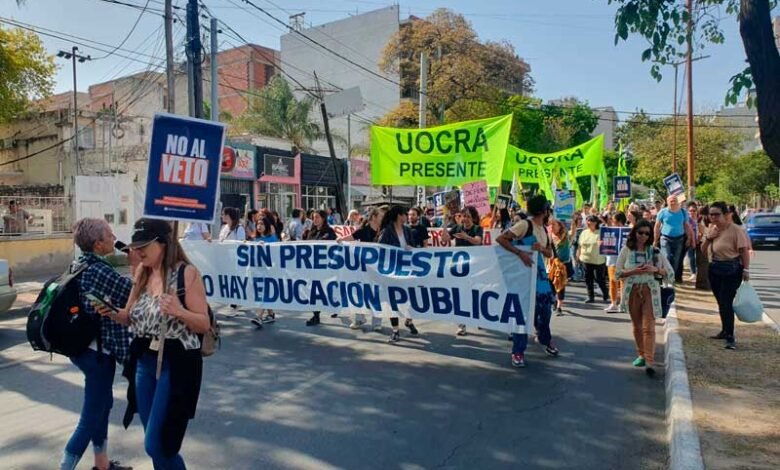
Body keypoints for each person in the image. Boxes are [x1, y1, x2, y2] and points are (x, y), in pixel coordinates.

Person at [99, 218, 210, 470]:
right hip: (145, 363)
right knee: (157, 444)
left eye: (143, 247)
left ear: (163, 244)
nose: (137, 252)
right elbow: (128, 316)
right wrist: (110, 311)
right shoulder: (142, 273)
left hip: (175, 364)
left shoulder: (186, 274)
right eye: (135, 247)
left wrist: (180, 311)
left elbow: (204, 324)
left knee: (158, 445)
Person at [60, 219, 133, 470]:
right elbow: (131, 291)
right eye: (110, 235)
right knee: (90, 416)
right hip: (97, 353)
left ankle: (101, 464)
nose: (114, 238)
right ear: (98, 243)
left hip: (86, 349)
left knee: (104, 404)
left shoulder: (80, 264)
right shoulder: (98, 270)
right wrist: (142, 264)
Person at [496, 195, 559, 368]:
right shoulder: (525, 225)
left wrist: (542, 249)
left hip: (539, 276)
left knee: (545, 310)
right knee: (522, 314)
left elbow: (550, 254)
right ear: (543, 210)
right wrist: (520, 252)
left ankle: (545, 339)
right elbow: (501, 239)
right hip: (522, 276)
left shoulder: (544, 229)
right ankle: (518, 350)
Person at [615, 220, 673, 377]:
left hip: (650, 291)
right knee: (637, 325)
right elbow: (617, 273)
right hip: (633, 291)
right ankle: (641, 354)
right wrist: (633, 271)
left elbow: (670, 272)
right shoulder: (626, 250)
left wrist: (655, 269)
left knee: (649, 326)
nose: (643, 236)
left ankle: (649, 360)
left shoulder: (655, 252)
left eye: (647, 233)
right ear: (635, 232)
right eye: (641, 232)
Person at [702, 202, 750, 350]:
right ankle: (724, 330)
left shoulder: (735, 230)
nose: (714, 217)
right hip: (715, 267)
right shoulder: (711, 229)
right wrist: (709, 238)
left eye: (717, 214)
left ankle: (730, 337)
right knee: (720, 302)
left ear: (725, 215)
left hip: (732, 268)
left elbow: (743, 251)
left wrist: (746, 270)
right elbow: (703, 250)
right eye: (711, 215)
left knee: (726, 301)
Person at [339, 207, 385, 330]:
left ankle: (377, 322)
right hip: (364, 268)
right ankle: (360, 319)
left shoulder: (384, 231)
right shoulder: (364, 230)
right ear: (374, 217)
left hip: (378, 269)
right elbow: (351, 237)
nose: (383, 218)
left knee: (376, 294)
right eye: (381, 216)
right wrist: (340, 240)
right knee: (362, 292)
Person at [378, 206, 419, 342]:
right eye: (405, 214)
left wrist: (410, 249)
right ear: (398, 216)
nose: (407, 216)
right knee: (392, 301)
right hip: (391, 271)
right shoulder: (387, 231)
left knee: (410, 297)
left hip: (406, 270)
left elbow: (414, 248)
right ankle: (395, 330)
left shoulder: (407, 230)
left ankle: (409, 320)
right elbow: (381, 250)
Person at [441, 206, 484, 336]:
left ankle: (480, 317)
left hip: (475, 268)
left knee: (475, 294)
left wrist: (466, 237)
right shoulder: (457, 228)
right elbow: (445, 239)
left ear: (473, 218)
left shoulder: (477, 229)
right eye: (463, 216)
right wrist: (444, 225)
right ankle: (462, 325)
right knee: (460, 295)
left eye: (468, 216)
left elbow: (478, 241)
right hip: (460, 269)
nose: (465, 219)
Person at [305, 210, 338, 326]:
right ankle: (316, 316)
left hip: (325, 267)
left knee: (326, 289)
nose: (315, 220)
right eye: (313, 217)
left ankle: (334, 305)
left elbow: (334, 247)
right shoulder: (311, 232)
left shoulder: (329, 232)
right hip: (313, 267)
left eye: (317, 217)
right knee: (314, 291)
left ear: (323, 219)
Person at [654, 196, 695, 283]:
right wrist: (655, 240)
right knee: (666, 257)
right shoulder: (662, 212)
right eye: (671, 201)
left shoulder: (683, 212)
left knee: (676, 260)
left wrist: (689, 238)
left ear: (677, 202)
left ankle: (671, 276)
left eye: (674, 201)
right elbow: (657, 226)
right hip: (665, 238)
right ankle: (665, 278)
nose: (673, 202)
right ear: (667, 202)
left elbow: (687, 225)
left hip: (679, 239)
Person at [250, 216, 280, 328]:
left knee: (265, 293)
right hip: (257, 271)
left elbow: (277, 252)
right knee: (264, 293)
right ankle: (271, 314)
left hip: (269, 271)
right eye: (258, 224)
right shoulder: (255, 239)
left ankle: (259, 316)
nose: (259, 226)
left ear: (266, 226)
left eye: (262, 224)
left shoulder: (272, 239)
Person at [577, 215, 609, 303]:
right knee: (588, 279)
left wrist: (603, 244)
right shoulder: (584, 232)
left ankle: (606, 294)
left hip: (598, 260)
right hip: (586, 259)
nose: (588, 223)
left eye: (590, 221)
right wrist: (577, 256)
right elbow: (579, 245)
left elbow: (607, 242)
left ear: (595, 222)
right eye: (587, 221)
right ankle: (590, 296)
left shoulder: (600, 232)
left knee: (599, 278)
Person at [605, 212, 627, 313]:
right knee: (613, 281)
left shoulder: (627, 231)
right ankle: (613, 303)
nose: (611, 222)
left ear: (619, 221)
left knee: (623, 282)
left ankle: (623, 303)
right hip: (612, 260)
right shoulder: (607, 230)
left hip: (624, 261)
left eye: (613, 220)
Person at [549, 218, 571, 316]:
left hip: (563, 264)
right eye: (551, 224)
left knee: (560, 285)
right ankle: (554, 301)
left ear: (559, 226)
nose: (552, 226)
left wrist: (573, 221)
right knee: (552, 285)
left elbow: (573, 231)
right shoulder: (548, 237)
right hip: (551, 264)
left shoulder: (565, 237)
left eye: (554, 224)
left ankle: (559, 306)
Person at [685, 202, 700, 281]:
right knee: (691, 257)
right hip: (691, 241)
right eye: (690, 210)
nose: (692, 212)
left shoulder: (700, 219)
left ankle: (699, 273)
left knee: (699, 258)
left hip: (700, 241)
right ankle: (693, 273)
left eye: (694, 210)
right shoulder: (687, 220)